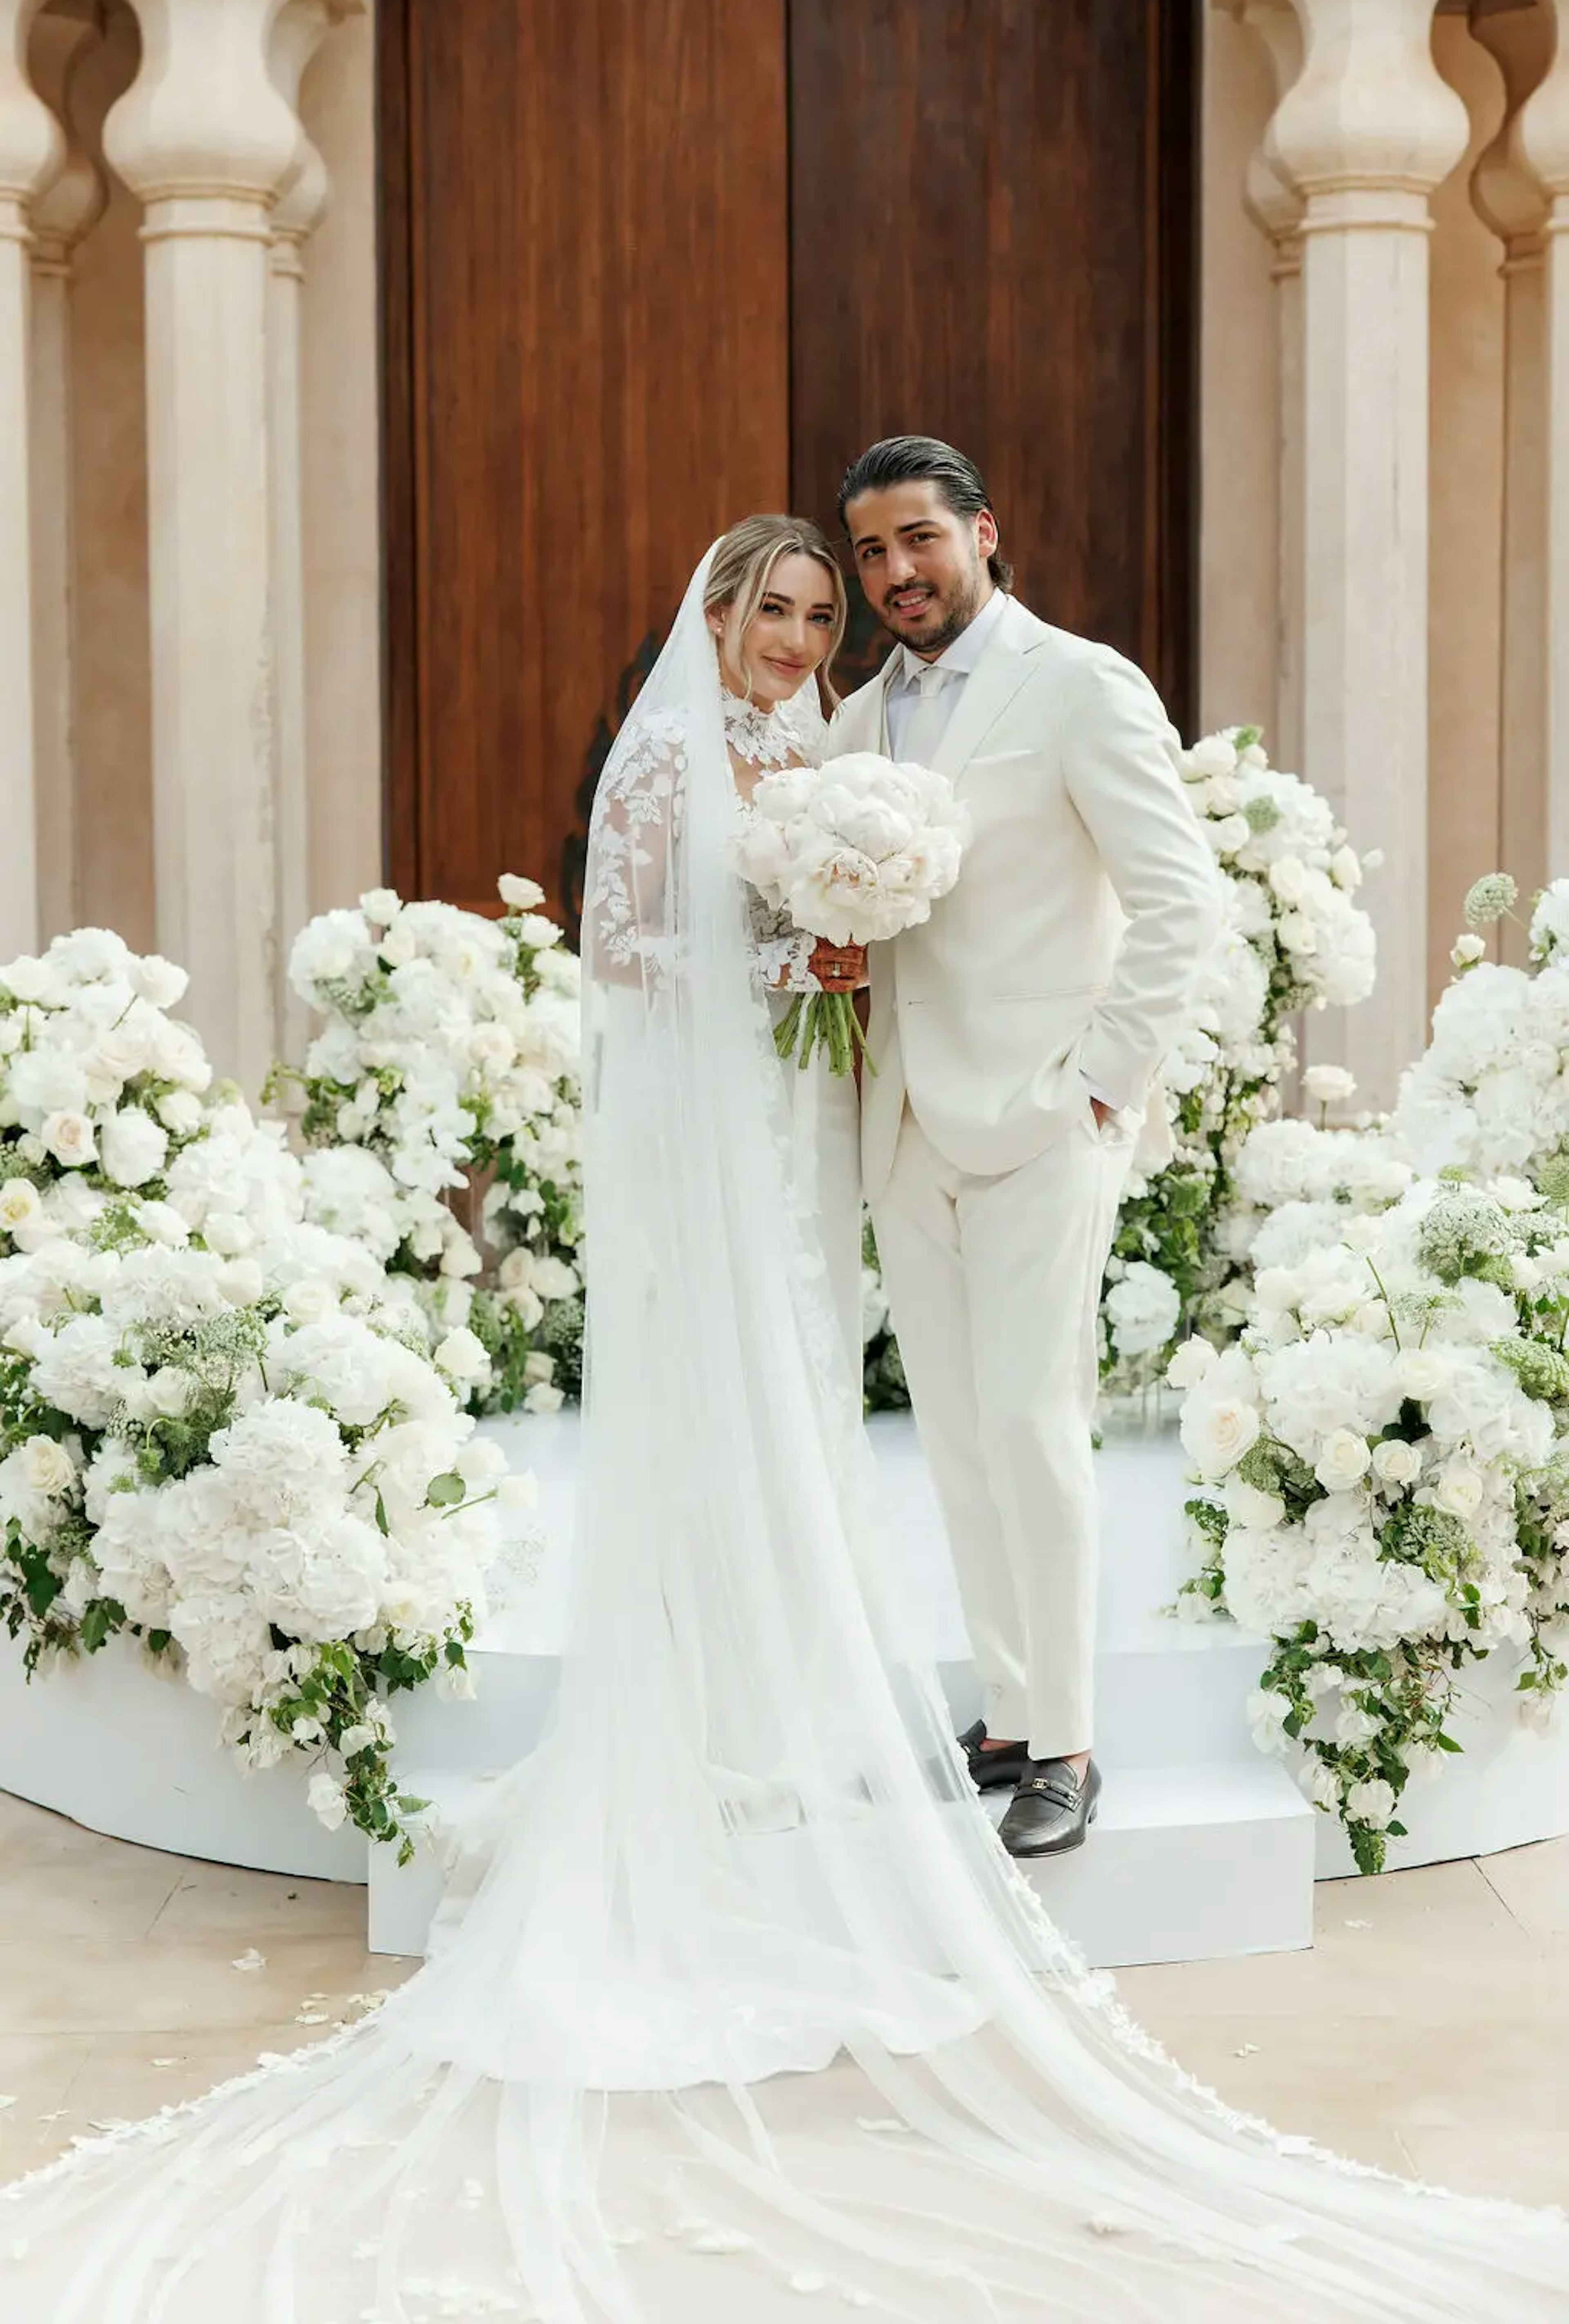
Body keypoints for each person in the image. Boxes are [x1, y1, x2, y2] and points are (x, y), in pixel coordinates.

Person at [2, 518, 1564, 2323]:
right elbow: (630, 961)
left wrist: (887, 975)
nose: (806, 628)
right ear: (719, 617)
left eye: (828, 606)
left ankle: (900, 1702)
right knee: (745, 1403)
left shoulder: (845, 748)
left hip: (849, 1135)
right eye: (784, 606)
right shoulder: (677, 751)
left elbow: (981, 917)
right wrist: (790, 972)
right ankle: (729, 1701)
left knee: (842, 1406)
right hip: (735, 1145)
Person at [830, 434, 1221, 1858]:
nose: (895, 575)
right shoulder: (858, 721)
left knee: (1033, 1424)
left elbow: (1181, 903)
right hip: (907, 1119)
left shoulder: (1077, 685)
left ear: (985, 532)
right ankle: (1005, 1707)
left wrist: (1101, 1085)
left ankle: (1066, 1743)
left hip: (1045, 1115)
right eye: (871, 552)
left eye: (918, 541)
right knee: (953, 1432)